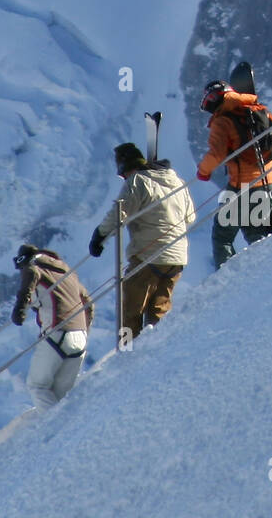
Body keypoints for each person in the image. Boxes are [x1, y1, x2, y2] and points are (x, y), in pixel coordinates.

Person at [88, 142, 193, 341]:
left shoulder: (137, 181)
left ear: (126, 167)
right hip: (177, 257)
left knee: (130, 311)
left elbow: (120, 212)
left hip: (148, 256)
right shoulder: (176, 180)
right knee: (159, 311)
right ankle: (155, 352)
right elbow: (191, 218)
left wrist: (99, 236)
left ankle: (127, 354)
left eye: (122, 174)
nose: (123, 178)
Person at [195, 80, 272, 267]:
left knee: (224, 236)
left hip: (244, 185)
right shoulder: (260, 109)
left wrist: (203, 172)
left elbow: (216, 155)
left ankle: (226, 283)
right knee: (268, 231)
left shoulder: (222, 121)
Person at [11, 244, 93, 409]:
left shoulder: (34, 267)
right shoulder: (68, 272)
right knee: (60, 396)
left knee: (38, 386)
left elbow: (31, 275)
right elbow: (88, 303)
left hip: (57, 334)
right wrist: (84, 330)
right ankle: (71, 429)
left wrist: (20, 309)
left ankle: (55, 428)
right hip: (80, 338)